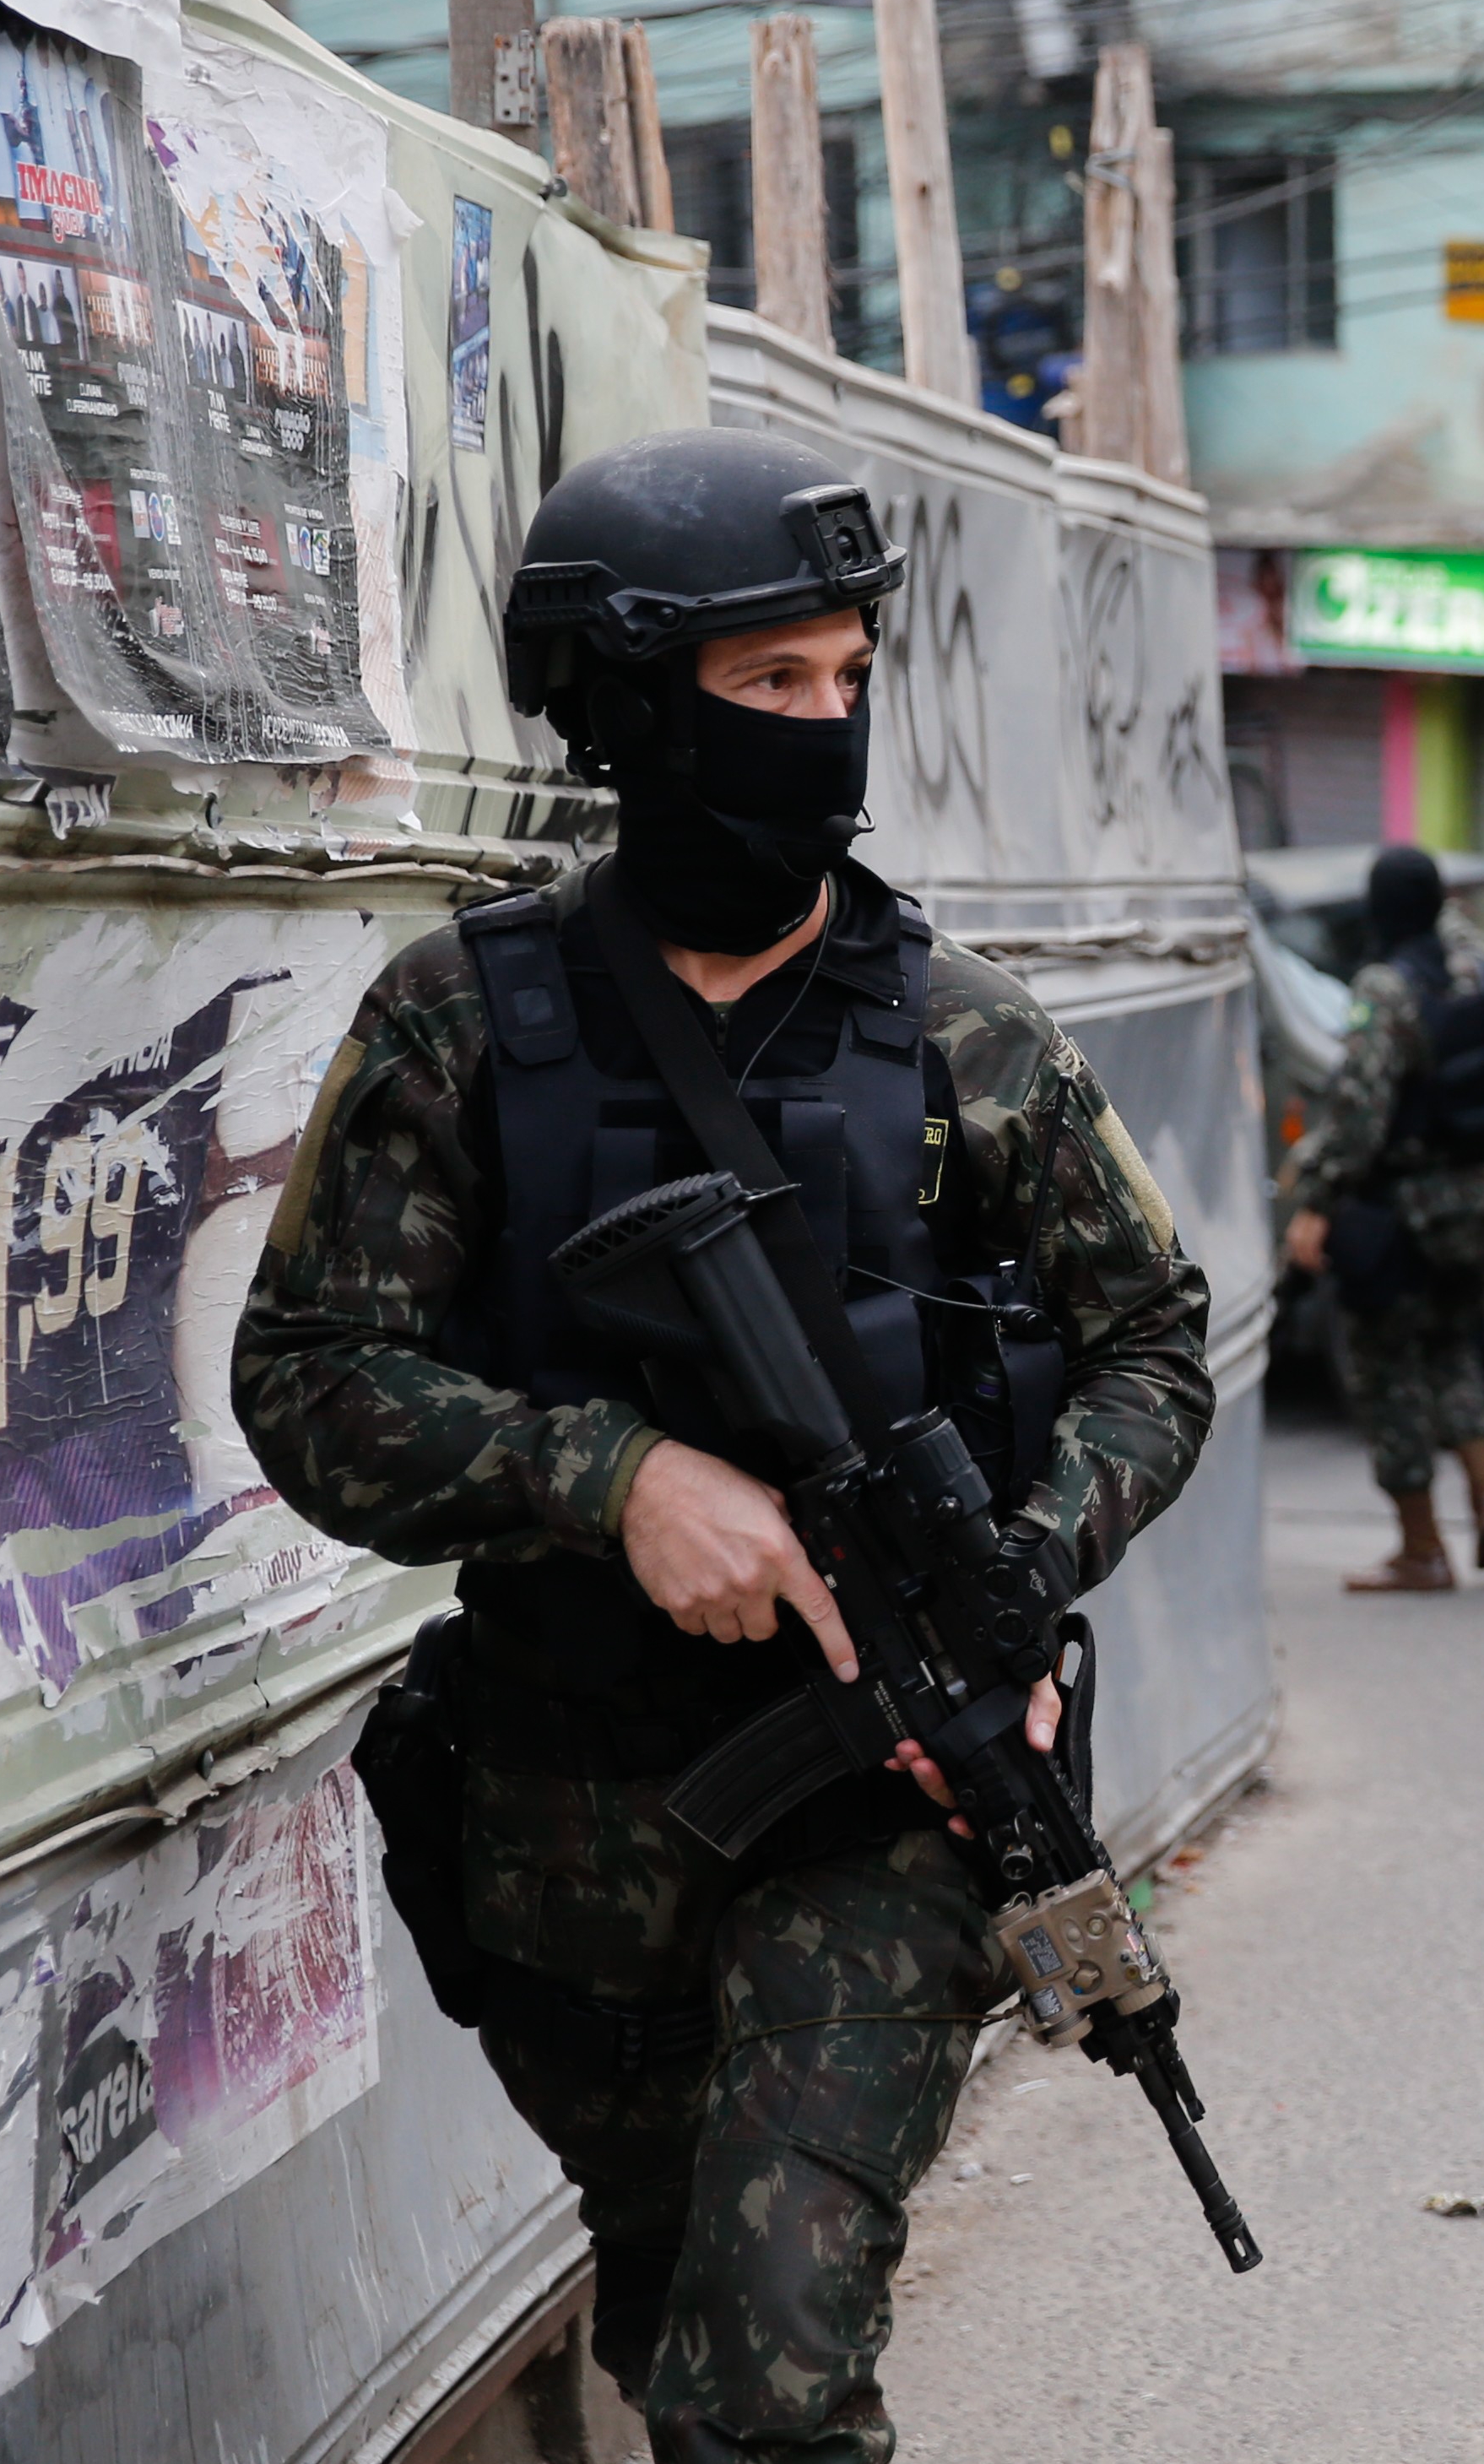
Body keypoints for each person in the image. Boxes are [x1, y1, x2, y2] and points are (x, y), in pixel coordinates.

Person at [234, 427, 1215, 2459]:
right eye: (773, 683)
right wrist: (607, 1478)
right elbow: (309, 1372)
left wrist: (1027, 1558)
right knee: (682, 2313)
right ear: (626, 698)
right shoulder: (456, 1025)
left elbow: (1153, 1344)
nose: (825, 726)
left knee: (767, 2375)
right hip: (565, 1819)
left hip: (879, 1816)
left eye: (850, 678)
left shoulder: (964, 1033)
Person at [1281, 842, 1484, 1586]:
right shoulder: (1472, 967)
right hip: (1472, 1201)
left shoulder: (1384, 989)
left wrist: (1318, 1200)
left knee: (1386, 1372)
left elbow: (1360, 1112)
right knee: (1453, 1350)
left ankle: (1422, 1550)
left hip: (1401, 1210)